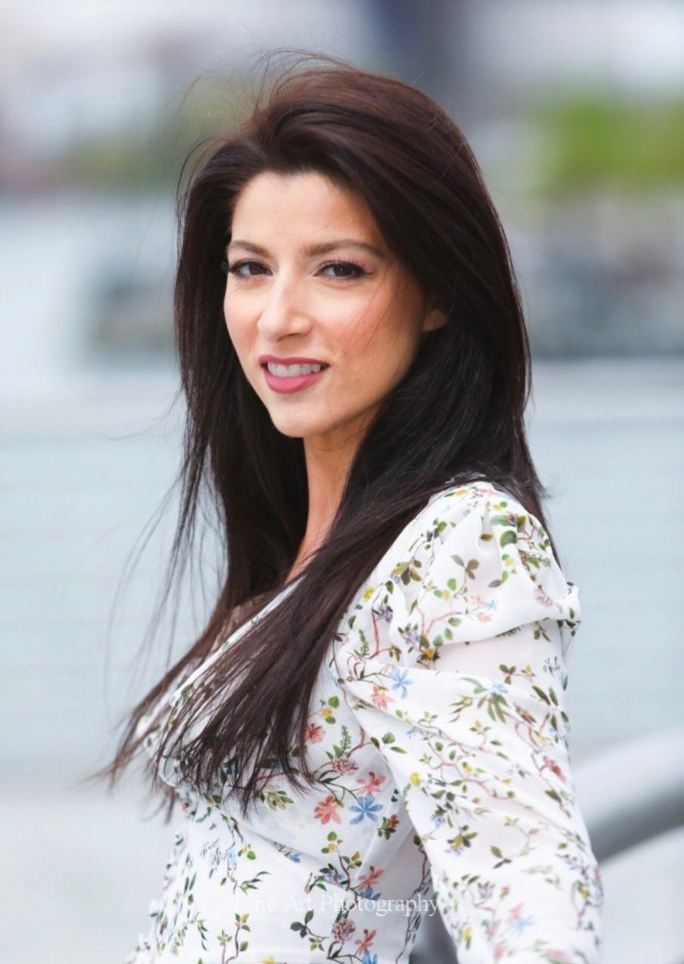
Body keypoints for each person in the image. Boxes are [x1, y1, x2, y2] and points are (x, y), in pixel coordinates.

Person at [99, 55, 604, 963]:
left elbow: (521, 871)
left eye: (337, 270)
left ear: (440, 291)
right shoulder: (316, 543)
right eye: (250, 269)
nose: (278, 317)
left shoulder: (465, 546)